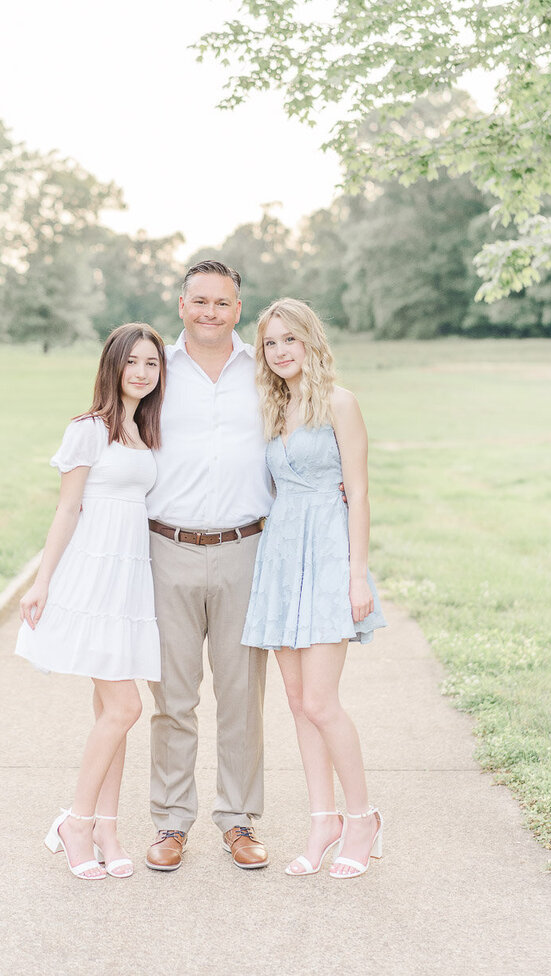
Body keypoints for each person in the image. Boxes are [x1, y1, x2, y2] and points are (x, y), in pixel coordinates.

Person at [242, 298, 386, 879]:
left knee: (323, 702)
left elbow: (360, 492)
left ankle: (362, 819)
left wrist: (356, 573)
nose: (279, 352)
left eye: (288, 340)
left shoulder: (340, 404)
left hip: (327, 556)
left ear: (310, 340)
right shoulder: (274, 408)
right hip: (282, 559)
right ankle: (321, 818)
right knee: (299, 704)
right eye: (270, 344)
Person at [15, 322, 166, 881]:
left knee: (112, 712)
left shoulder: (145, 429)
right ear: (113, 365)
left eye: (152, 363)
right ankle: (76, 821)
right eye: (133, 362)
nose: (142, 372)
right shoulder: (89, 430)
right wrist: (41, 580)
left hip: (129, 582)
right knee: (126, 707)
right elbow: (67, 509)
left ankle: (107, 826)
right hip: (92, 576)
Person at [144, 260, 272, 872]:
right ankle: (171, 822)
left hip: (245, 548)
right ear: (181, 304)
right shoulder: (156, 370)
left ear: (238, 310)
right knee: (172, 696)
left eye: (222, 303)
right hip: (165, 546)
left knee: (242, 693)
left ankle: (239, 819)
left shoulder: (266, 371)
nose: (211, 312)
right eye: (200, 301)